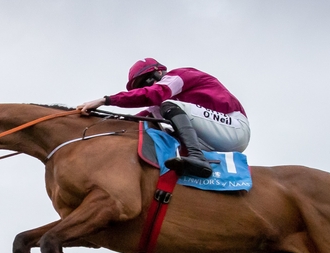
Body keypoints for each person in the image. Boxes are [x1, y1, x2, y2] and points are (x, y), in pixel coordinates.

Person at [78, 58, 250, 178]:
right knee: (153, 129)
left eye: (149, 79)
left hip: (234, 127)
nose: (148, 85)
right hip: (212, 138)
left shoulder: (179, 76)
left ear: (160, 72)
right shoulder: (159, 108)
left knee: (168, 106)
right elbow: (131, 122)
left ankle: (197, 158)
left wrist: (106, 100)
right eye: (142, 85)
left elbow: (155, 93)